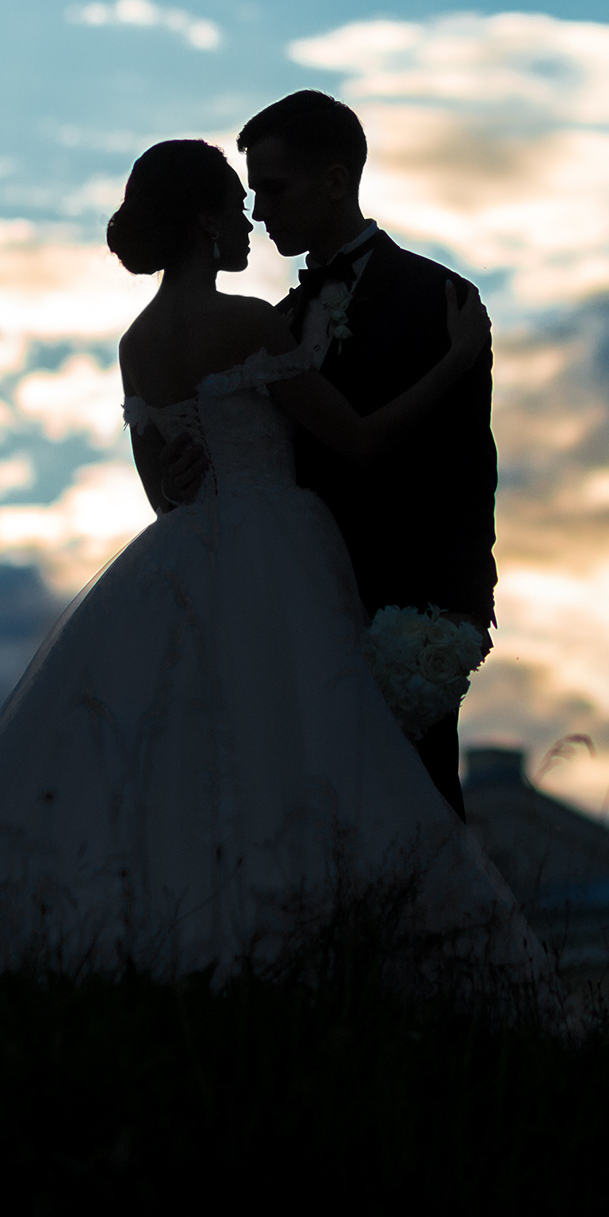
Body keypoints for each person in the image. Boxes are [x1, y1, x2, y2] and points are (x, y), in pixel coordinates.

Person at [0, 138, 546, 989]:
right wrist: (455, 360)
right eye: (234, 204)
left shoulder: (137, 344)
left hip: (185, 557)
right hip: (280, 553)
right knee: (303, 751)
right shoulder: (249, 324)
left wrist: (192, 477)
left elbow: (164, 493)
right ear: (202, 221)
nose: (250, 223)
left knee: (190, 766)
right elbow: (361, 441)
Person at [156, 90, 496, 819]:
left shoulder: (438, 299)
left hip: (404, 613)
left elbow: (465, 472)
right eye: (250, 194)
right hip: (290, 606)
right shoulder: (271, 326)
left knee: (421, 813)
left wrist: (456, 616)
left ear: (336, 180)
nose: (258, 212)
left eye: (272, 190)